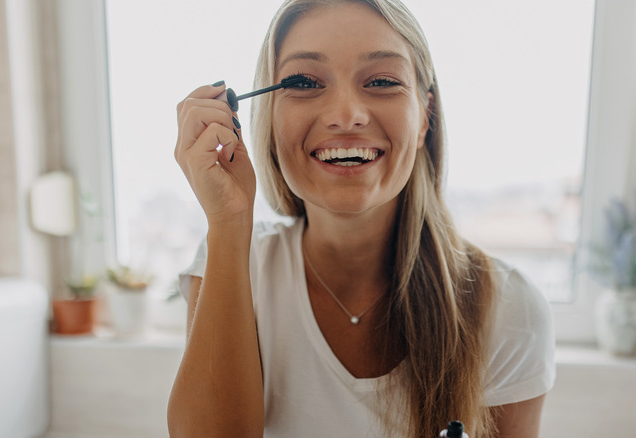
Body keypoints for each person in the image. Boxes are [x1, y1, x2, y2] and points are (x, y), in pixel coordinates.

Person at [167, 0, 555, 436]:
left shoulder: (506, 307)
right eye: (304, 82)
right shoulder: (233, 263)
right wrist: (228, 221)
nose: (345, 115)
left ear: (425, 115)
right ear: (268, 118)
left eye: (383, 81)